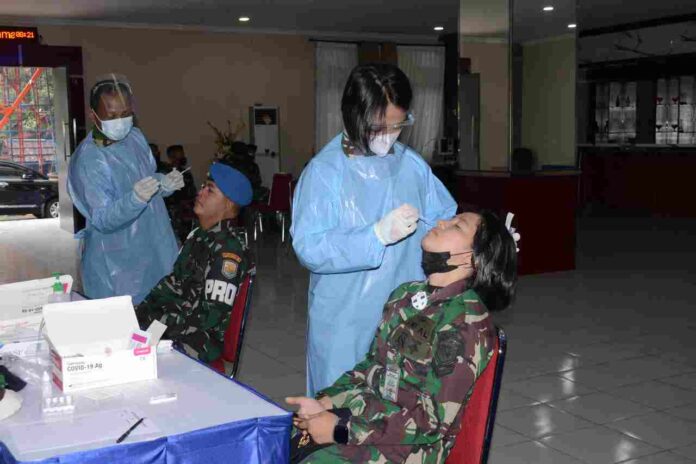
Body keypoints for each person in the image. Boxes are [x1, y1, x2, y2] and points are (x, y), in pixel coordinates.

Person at [286, 210, 519, 463]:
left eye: (457, 226)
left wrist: (341, 430)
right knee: (283, 441)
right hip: (373, 418)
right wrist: (328, 401)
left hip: (410, 448)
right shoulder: (406, 295)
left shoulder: (466, 321)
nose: (442, 222)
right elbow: (371, 367)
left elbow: (431, 421)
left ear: (472, 259)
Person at [291, 63, 457, 396]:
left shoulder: (411, 165)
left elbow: (444, 219)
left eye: (398, 126)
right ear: (354, 116)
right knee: (339, 406)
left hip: (405, 315)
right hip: (344, 321)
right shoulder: (326, 172)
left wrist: (484, 241)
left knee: (396, 406)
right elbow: (310, 247)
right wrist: (375, 236)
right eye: (380, 127)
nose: (389, 136)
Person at [67, 74, 185, 304]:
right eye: (112, 116)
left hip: (156, 247)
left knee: (161, 316)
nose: (120, 121)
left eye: (126, 114)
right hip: (117, 265)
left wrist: (164, 183)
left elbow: (146, 179)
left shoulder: (135, 137)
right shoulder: (89, 159)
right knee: (124, 322)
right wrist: (135, 199)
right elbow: (102, 218)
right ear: (93, 115)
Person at [136, 162, 254, 363]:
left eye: (210, 190)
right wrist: (142, 312)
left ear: (228, 204)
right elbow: (172, 284)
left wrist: (157, 322)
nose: (201, 193)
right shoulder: (199, 236)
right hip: (174, 326)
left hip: (196, 343)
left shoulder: (228, 252)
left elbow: (209, 319)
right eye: (203, 186)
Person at [164, 144, 198, 243]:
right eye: (180, 154)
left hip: (188, 213)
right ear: (171, 156)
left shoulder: (186, 172)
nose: (183, 156)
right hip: (174, 214)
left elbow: (192, 192)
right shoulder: (166, 174)